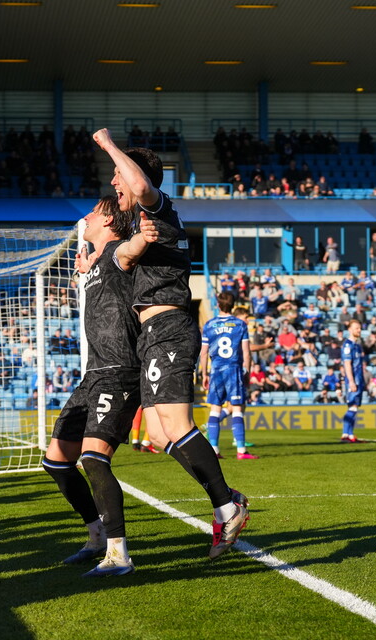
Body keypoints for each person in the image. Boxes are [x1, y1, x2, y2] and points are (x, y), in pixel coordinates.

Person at [93, 127, 248, 561]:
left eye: (117, 176)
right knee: (161, 433)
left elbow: (140, 184)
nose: (114, 183)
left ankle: (225, 505)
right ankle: (227, 499)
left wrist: (107, 144)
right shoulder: (145, 226)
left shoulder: (160, 210)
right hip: (153, 337)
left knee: (177, 425)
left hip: (169, 330)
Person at [44, 196, 141, 577]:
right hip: (93, 373)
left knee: (94, 458)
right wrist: (85, 272)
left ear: (110, 222)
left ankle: (119, 555)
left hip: (118, 370)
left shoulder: (119, 249)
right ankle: (97, 535)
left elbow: (134, 248)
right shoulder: (96, 261)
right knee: (56, 460)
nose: (84, 216)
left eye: (94, 212)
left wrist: (143, 232)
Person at [199, 291, 257, 460]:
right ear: (233, 305)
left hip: (216, 370)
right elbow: (246, 353)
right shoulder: (240, 325)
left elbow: (203, 353)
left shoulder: (209, 325)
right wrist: (247, 372)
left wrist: (204, 374)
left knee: (215, 410)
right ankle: (241, 451)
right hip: (234, 370)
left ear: (218, 305)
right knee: (237, 409)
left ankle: (214, 451)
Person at [340, 319, 366, 443]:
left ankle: (349, 435)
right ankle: (345, 434)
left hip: (359, 379)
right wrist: (351, 381)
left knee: (354, 408)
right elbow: (347, 364)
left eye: (360, 328)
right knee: (352, 407)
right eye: (356, 328)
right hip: (353, 380)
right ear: (350, 330)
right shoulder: (347, 345)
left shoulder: (357, 346)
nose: (359, 330)